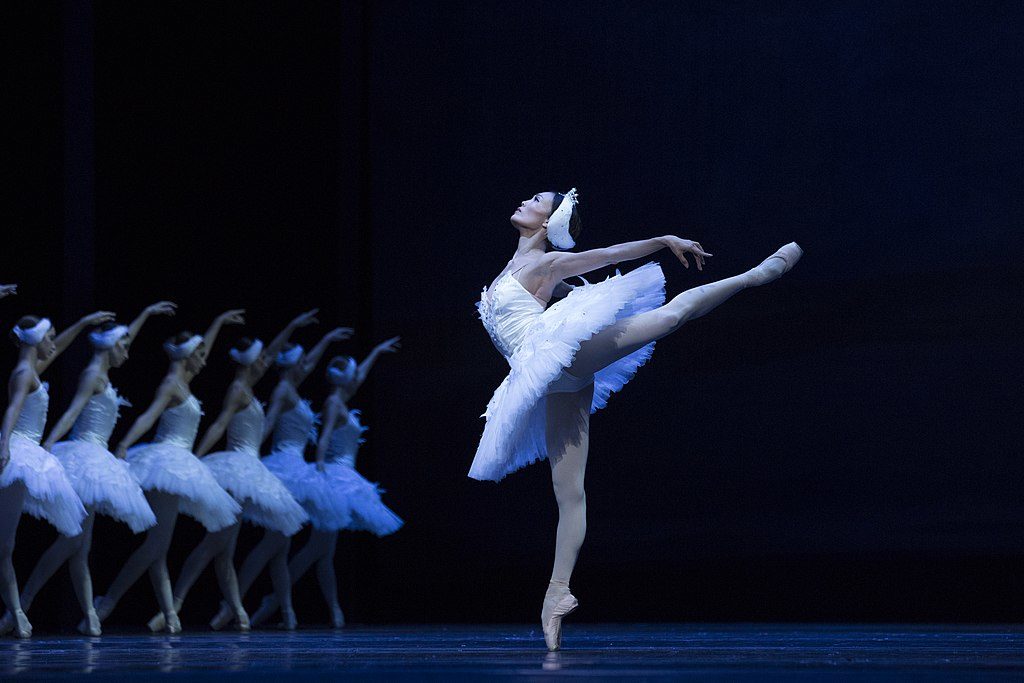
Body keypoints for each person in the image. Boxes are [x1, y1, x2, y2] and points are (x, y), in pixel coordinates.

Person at [471, 188, 801, 650]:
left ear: (549, 221)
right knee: (569, 492)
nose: (525, 200)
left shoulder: (543, 263)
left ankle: (754, 276)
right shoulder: (517, 268)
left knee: (670, 317)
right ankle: (556, 595)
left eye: (537, 200)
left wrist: (664, 239)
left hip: (559, 357)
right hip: (549, 377)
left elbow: (606, 255)